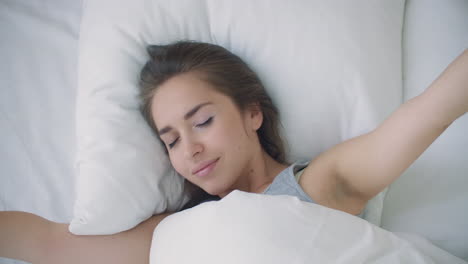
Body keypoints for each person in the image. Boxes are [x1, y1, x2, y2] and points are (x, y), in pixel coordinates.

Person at [1, 41, 467, 264]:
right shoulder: (172, 235)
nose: (191, 148)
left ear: (252, 114)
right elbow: (48, 242)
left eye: (202, 121)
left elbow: (431, 112)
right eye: (172, 139)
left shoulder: (321, 183)